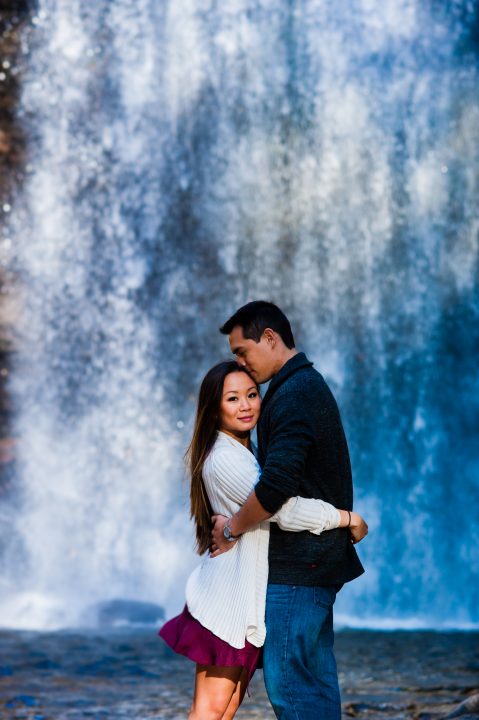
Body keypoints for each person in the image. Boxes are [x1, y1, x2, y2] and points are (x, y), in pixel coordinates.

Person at [159, 360, 368, 720]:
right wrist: (344, 518)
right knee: (209, 711)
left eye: (252, 394)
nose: (246, 405)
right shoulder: (226, 458)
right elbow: (281, 509)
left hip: (241, 603)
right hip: (226, 602)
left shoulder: (246, 452)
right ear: (213, 409)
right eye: (232, 398)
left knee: (222, 712)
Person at [211, 300, 366, 720]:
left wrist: (231, 530)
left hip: (301, 566)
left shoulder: (294, 393)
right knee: (312, 682)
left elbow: (276, 486)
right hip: (313, 562)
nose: (240, 362)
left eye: (242, 351)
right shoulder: (300, 385)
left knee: (291, 686)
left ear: (270, 338)